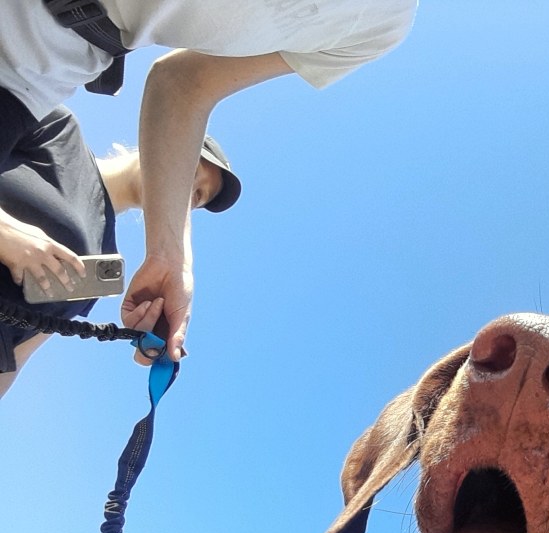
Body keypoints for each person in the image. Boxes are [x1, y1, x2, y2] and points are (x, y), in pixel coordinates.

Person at [1, 0, 418, 365]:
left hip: (44, 66)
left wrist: (171, 258)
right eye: (197, 167)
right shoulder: (59, 135)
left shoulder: (381, 25)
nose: (191, 191)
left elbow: (184, 84)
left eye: (199, 197)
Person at [0, 106, 242, 398]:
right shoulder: (60, 129)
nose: (187, 193)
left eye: (198, 196)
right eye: (192, 171)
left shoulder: (104, 262)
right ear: (156, 143)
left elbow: (20, 351)